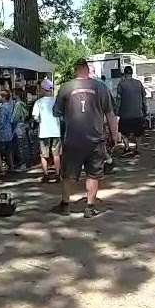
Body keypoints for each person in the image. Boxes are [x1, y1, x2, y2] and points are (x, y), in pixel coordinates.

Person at [53, 58, 119, 218]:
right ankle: (89, 207)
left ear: (75, 70)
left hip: (73, 139)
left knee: (68, 174)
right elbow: (110, 113)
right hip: (95, 140)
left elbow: (56, 112)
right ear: (87, 70)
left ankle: (65, 205)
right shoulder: (100, 87)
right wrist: (115, 134)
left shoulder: (65, 88)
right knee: (93, 174)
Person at [31, 79, 62, 183]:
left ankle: (46, 175)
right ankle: (58, 175)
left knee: (44, 155)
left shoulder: (38, 102)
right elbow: (61, 115)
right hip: (56, 131)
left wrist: (40, 120)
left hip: (44, 132)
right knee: (56, 154)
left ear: (43, 89)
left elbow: (35, 117)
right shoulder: (56, 101)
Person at [115, 66, 148, 156]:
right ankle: (137, 149)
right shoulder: (138, 83)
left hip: (125, 113)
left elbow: (119, 99)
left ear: (125, 74)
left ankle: (127, 147)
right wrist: (145, 109)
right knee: (138, 133)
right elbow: (144, 97)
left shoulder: (121, 84)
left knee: (124, 132)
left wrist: (116, 111)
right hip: (138, 112)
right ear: (132, 73)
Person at [0, 89, 20, 175]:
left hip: (2, 132)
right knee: (9, 151)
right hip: (9, 132)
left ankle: (1, 168)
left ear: (3, 97)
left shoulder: (2, 109)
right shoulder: (10, 106)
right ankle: (11, 166)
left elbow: (1, 122)